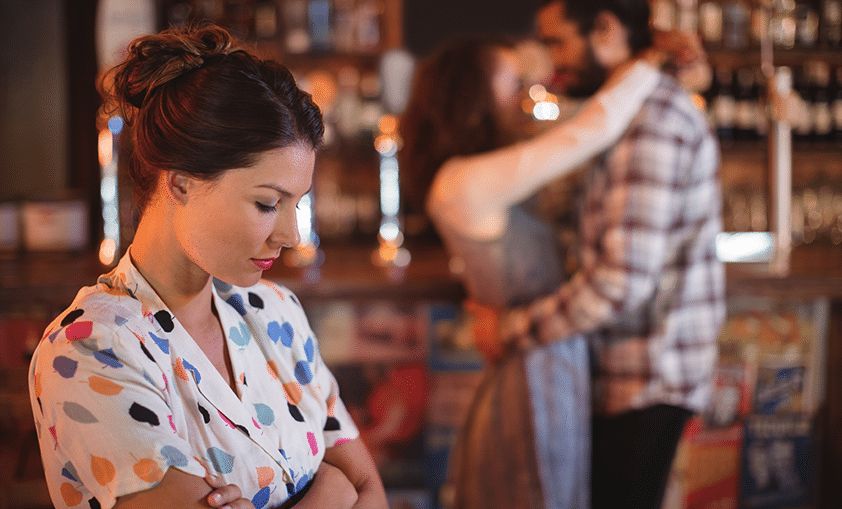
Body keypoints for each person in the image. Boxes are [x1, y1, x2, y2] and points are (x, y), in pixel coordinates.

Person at [28, 23, 387, 509]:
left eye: (296, 205)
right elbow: (350, 487)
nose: (290, 236)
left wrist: (348, 486)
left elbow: (369, 489)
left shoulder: (277, 311)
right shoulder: (91, 348)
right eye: (266, 204)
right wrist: (331, 489)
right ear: (180, 184)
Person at [399, 29, 701, 509]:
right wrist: (650, 59)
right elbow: (593, 129)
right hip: (532, 366)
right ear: (470, 96)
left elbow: (580, 124)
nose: (525, 93)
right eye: (511, 82)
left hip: (547, 356)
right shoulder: (461, 181)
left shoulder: (482, 168)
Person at [499, 1, 726, 508]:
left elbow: (622, 280)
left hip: (646, 374)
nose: (554, 63)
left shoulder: (653, 121)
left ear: (604, 29)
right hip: (634, 369)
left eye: (559, 42)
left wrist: (510, 330)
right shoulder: (625, 112)